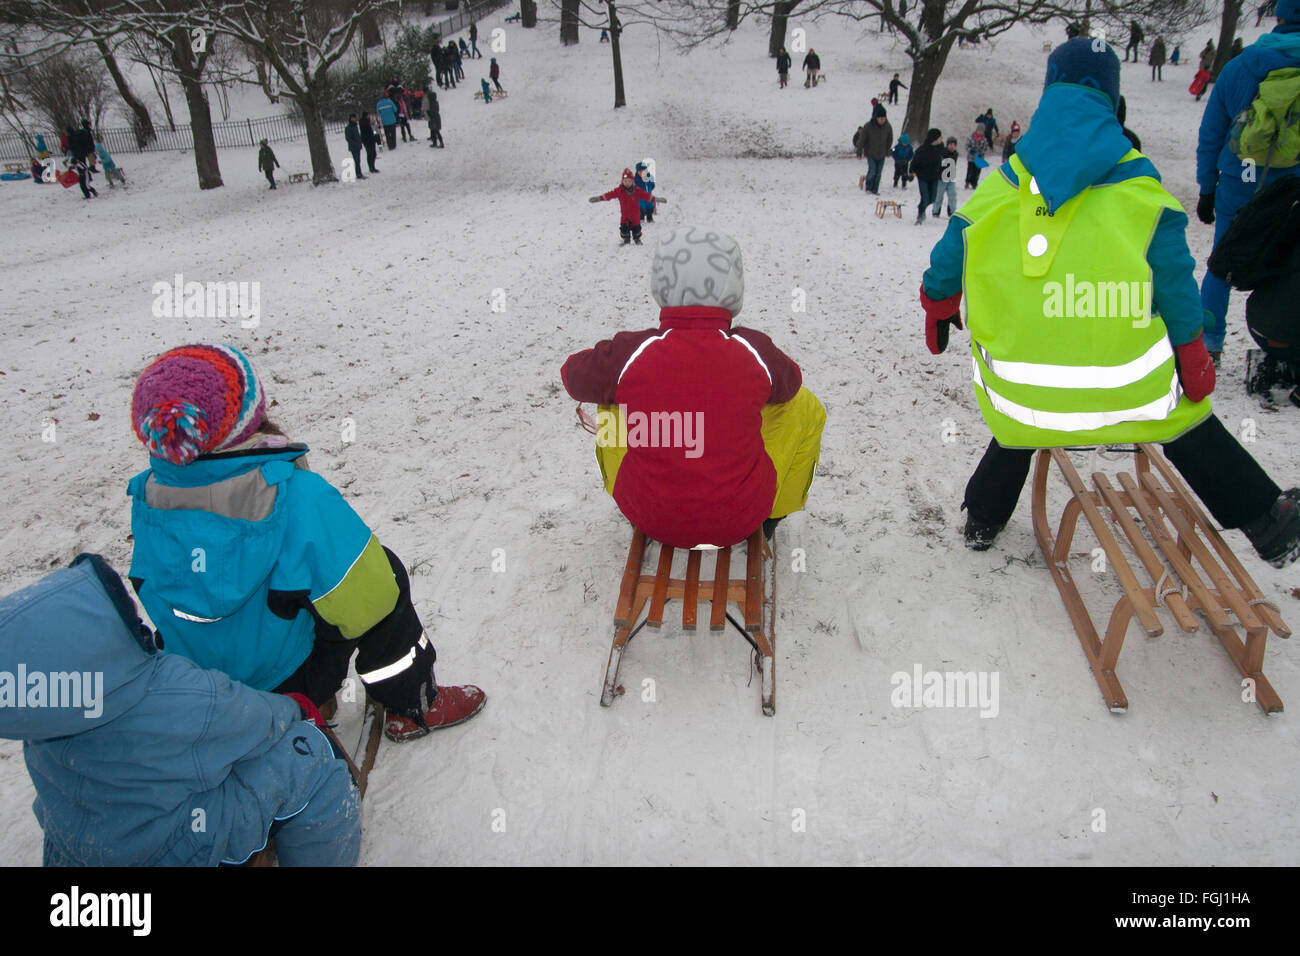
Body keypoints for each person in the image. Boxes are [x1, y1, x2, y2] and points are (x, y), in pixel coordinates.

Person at [919, 37, 1300, 568]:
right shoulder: (1141, 192)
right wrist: (1192, 351)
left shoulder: (1004, 185)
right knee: (1183, 416)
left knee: (1021, 421)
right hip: (1132, 393)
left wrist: (938, 305)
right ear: (1113, 102)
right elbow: (1176, 286)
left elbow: (949, 255)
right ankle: (1269, 520)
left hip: (1021, 393)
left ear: (1049, 94)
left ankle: (982, 517)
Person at [126, 344, 488, 741]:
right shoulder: (295, 496)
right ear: (248, 417)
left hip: (202, 676)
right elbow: (369, 596)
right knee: (384, 577)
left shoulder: (148, 494)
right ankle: (414, 704)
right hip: (288, 681)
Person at [0, 554, 362, 866]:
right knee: (308, 757)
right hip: (176, 848)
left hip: (86, 845)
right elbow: (252, 720)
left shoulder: (42, 718)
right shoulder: (167, 691)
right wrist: (292, 710)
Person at [561, 225, 826, 550]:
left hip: (649, 513)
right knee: (803, 405)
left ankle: (634, 507)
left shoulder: (631, 353)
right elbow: (792, 382)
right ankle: (773, 515)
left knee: (612, 401)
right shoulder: (753, 349)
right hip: (741, 517)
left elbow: (572, 376)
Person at [1195, 0, 1300, 360]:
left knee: (1222, 260)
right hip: (1293, 186)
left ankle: (1208, 341)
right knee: (1290, 264)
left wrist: (1207, 188)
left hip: (1241, 180)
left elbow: (1212, 133)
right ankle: (1282, 341)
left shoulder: (1241, 66)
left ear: (1278, 16)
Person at [588, 167, 659, 244]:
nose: (627, 183)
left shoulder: (637, 190)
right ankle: (626, 239)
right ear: (622, 181)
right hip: (625, 216)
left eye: (629, 181)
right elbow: (609, 195)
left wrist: (656, 199)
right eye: (625, 181)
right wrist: (599, 198)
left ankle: (637, 239)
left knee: (637, 229)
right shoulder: (619, 191)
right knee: (624, 229)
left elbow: (646, 195)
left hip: (635, 215)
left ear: (632, 182)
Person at [909, 127, 944, 224]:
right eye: (940, 137)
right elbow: (914, 162)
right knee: (925, 197)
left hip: (934, 177)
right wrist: (912, 171)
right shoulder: (922, 150)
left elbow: (944, 160)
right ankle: (920, 214)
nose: (941, 139)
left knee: (932, 198)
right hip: (923, 177)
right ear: (934, 139)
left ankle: (922, 207)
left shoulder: (940, 148)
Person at [862, 102, 893, 194]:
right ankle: (868, 186)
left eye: (883, 118)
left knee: (878, 173)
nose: (882, 120)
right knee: (872, 171)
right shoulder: (868, 126)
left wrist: (887, 151)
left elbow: (889, 139)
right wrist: (860, 151)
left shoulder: (888, 126)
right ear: (876, 118)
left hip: (882, 153)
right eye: (880, 118)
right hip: (871, 153)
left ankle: (875, 189)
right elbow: (863, 139)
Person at [934, 136, 960, 216]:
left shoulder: (955, 154)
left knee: (952, 195)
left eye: (953, 145)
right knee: (939, 196)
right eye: (950, 145)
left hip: (951, 178)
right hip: (941, 179)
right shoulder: (943, 153)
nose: (952, 147)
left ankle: (952, 210)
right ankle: (936, 210)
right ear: (947, 145)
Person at [345, 114, 365, 179]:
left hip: (358, 145)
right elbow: (348, 138)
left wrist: (360, 141)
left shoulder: (355, 126)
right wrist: (354, 143)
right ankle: (358, 174)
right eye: (352, 118)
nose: (354, 119)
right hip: (353, 146)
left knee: (358, 160)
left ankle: (359, 173)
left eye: (354, 118)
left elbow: (358, 135)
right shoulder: (348, 127)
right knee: (356, 160)